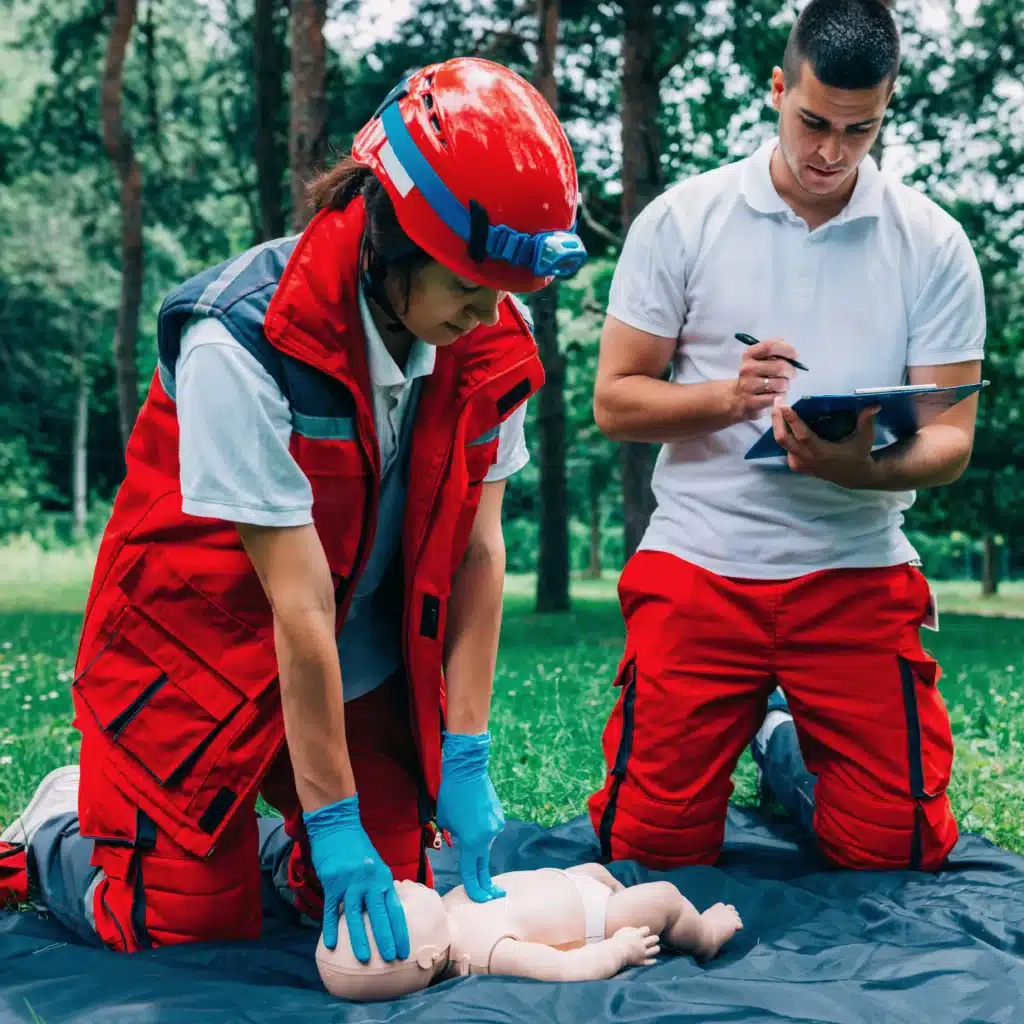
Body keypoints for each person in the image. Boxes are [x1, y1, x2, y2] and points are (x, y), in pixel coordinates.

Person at [0, 56, 588, 959]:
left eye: (502, 293)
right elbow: (298, 601)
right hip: (197, 665)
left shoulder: (488, 343)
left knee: (391, 909)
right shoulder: (238, 340)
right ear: (394, 231)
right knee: (183, 929)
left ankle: (269, 843)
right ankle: (59, 830)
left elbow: (479, 556)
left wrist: (464, 755)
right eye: (467, 286)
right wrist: (335, 815)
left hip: (347, 669)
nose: (487, 314)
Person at [587, 0, 985, 874]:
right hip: (701, 561)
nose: (831, 151)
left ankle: (785, 754)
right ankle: (768, 735)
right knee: (647, 848)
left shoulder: (933, 244)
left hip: (856, 567)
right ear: (777, 88)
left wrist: (859, 469)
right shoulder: (682, 221)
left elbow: (951, 440)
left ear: (886, 111)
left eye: (859, 129)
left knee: (899, 847)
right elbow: (613, 402)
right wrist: (728, 399)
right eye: (813, 121)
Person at [315, 862, 743, 1001]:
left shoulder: (440, 918)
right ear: (427, 956)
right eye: (393, 909)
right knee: (664, 898)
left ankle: (613, 890)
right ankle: (703, 935)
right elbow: (563, 968)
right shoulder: (487, 953)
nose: (392, 891)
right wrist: (619, 950)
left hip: (574, 885)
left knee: (598, 870)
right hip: (597, 920)